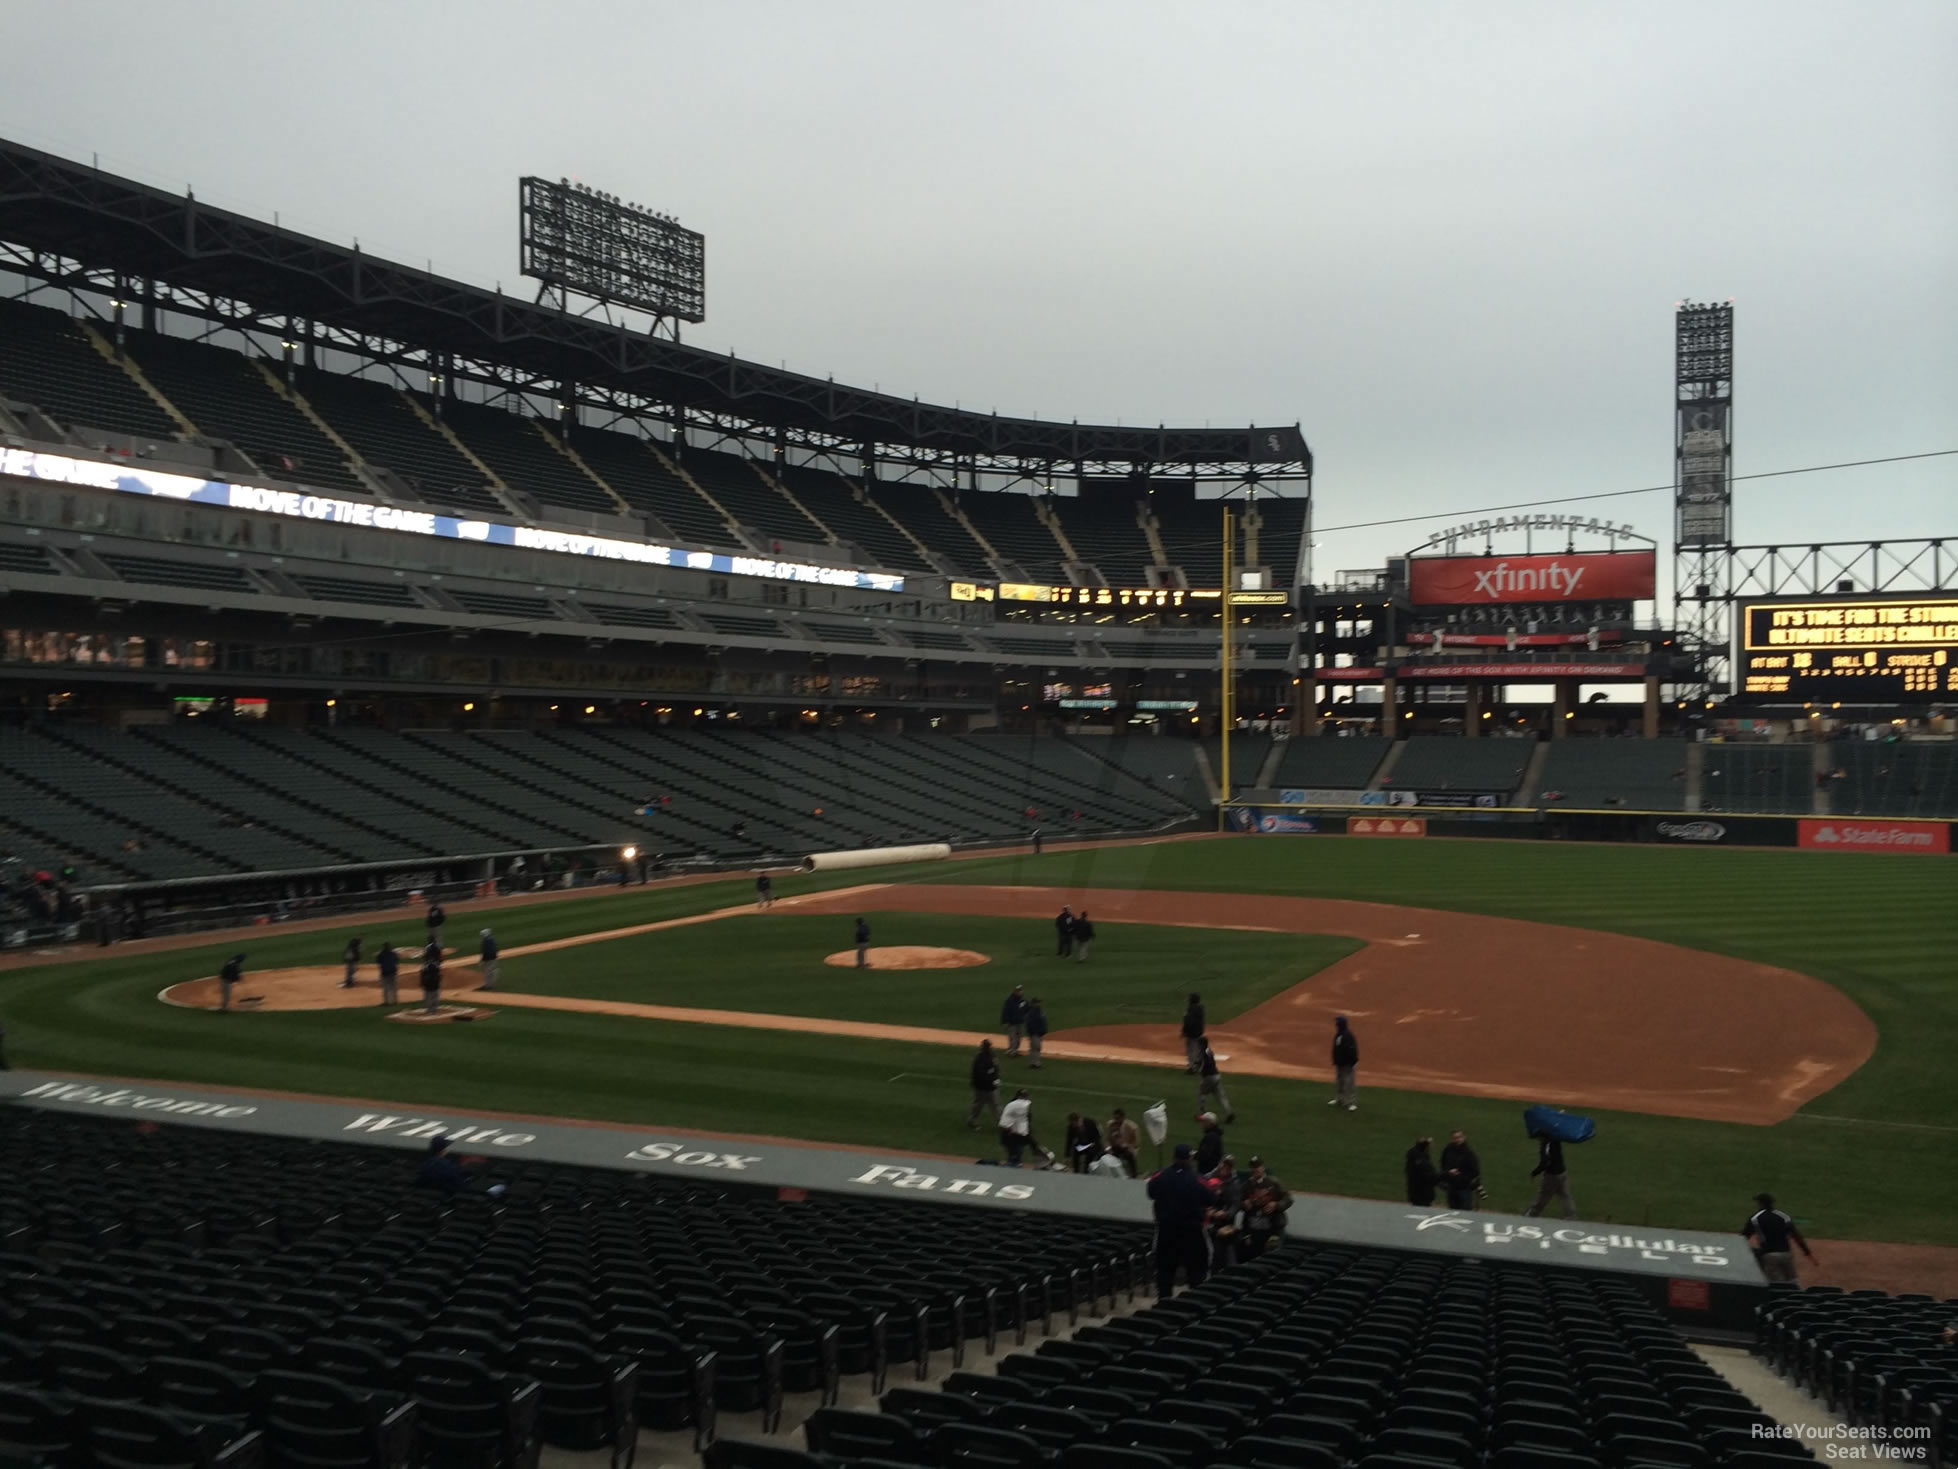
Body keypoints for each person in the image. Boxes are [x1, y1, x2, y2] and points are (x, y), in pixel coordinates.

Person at [1147, 1143, 1211, 1296]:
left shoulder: (1161, 1176)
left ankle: (1163, 1303)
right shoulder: (1197, 1179)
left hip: (1166, 1231)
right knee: (1196, 1273)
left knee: (1165, 1272)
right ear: (1190, 1158)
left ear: (1174, 1157)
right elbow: (1210, 1198)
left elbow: (1151, 1191)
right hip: (1192, 1233)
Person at [1743, 1193, 1817, 1283]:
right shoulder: (1783, 1216)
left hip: (1770, 1256)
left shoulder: (1755, 1218)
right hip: (1786, 1254)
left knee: (1776, 1284)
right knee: (1793, 1282)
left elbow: (1744, 1237)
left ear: (1761, 1204)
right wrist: (1808, 1253)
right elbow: (1796, 1236)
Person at [415, 1136, 507, 1200]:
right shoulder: (448, 1166)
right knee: (501, 1187)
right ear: (443, 1150)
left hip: (435, 1199)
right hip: (460, 1199)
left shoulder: (424, 1165)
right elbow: (461, 1187)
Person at [1238, 1156, 1292, 1259]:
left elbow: (1288, 1199)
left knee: (1272, 1256)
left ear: (1262, 1167)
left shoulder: (1273, 1183)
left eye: (1257, 1166)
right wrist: (1244, 1204)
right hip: (1254, 1229)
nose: (1255, 1170)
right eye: (1253, 1167)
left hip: (1273, 1229)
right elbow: (1238, 1203)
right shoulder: (1247, 1186)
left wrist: (1276, 1205)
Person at [1524, 1130, 1577, 1218]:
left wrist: (1535, 1172)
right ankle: (1571, 1216)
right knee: (1565, 1195)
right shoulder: (1556, 1141)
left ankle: (1532, 1214)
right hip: (1562, 1172)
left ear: (1542, 1138)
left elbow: (1544, 1163)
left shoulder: (1545, 1146)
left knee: (1543, 1196)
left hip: (1552, 1176)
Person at [998, 1088, 1055, 1168]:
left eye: (1025, 1096)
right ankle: (1014, 1162)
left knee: (1019, 1148)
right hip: (1011, 1133)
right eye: (1023, 1097)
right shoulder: (1014, 1106)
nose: (1025, 1098)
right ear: (1018, 1096)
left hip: (1020, 1132)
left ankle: (1016, 1161)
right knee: (1014, 1149)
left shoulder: (1024, 1106)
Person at [1204, 1155, 1242, 1268]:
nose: (1225, 1168)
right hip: (1208, 1223)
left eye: (1228, 1166)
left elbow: (1236, 1204)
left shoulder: (1234, 1184)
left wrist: (1226, 1214)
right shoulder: (1209, 1178)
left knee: (1223, 1254)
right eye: (1223, 1164)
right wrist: (1207, 1210)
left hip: (1225, 1226)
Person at [1439, 1129, 1481, 1210]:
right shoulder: (1447, 1151)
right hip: (1451, 1187)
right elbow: (1443, 1165)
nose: (1457, 1139)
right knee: (1452, 1211)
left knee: (1465, 1213)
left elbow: (1475, 1172)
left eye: (1459, 1137)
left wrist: (1462, 1177)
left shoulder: (1469, 1154)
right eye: (1455, 1138)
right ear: (1452, 1139)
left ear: (1464, 1138)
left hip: (1464, 1188)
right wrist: (1447, 1173)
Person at [1196, 1037, 1234, 1122]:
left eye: (1199, 1044)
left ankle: (1203, 1115)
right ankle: (1229, 1113)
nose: (1198, 1046)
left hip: (1209, 1077)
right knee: (1220, 1096)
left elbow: (1204, 1065)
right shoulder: (1209, 1051)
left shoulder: (1203, 1053)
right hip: (1216, 1076)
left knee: (1202, 1095)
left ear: (1202, 1045)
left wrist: (1199, 1069)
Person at [968, 1039, 1001, 1129]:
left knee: (995, 1105)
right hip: (982, 1087)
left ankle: (1002, 1124)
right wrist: (993, 1079)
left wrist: (996, 1078)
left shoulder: (991, 1056)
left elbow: (996, 1068)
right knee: (979, 1105)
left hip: (990, 1086)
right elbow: (981, 1074)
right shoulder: (980, 1058)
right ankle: (972, 1120)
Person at [1329, 1015, 1359, 1111]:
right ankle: (1339, 1099)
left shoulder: (1347, 1036)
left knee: (1349, 1083)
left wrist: (1353, 1062)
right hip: (1340, 1063)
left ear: (1341, 1024)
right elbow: (1336, 1049)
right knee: (1340, 1082)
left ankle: (1352, 1103)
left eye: (1337, 1023)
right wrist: (1335, 1061)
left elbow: (1352, 1050)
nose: (1336, 1024)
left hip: (1348, 1064)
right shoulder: (1339, 1034)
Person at [1105, 1108, 1140, 1176]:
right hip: (1114, 1148)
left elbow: (1135, 1142)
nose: (1116, 1120)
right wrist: (1108, 1148)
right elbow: (1107, 1139)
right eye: (1115, 1118)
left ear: (1122, 1118)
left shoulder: (1131, 1127)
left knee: (1129, 1156)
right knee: (1102, 1154)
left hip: (1126, 1148)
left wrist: (1128, 1146)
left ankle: (1134, 1174)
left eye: (1118, 1118)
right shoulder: (1111, 1125)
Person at [1405, 1137, 1439, 1206]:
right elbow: (1430, 1176)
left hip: (1416, 1193)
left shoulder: (1413, 1157)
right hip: (1422, 1195)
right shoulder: (1421, 1159)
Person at [1000, 985, 1030, 1057]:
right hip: (1011, 1023)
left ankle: (1013, 1050)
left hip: (1020, 1022)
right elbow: (1005, 1011)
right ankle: (1013, 1051)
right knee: (1013, 1037)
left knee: (1019, 1037)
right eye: (1019, 991)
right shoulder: (1009, 1001)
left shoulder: (1023, 1001)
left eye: (1021, 990)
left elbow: (1028, 1010)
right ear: (1015, 991)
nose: (1020, 992)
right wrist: (1005, 1022)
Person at [1181, 994, 1206, 1072]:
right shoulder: (1200, 1008)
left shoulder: (1190, 1009)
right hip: (1199, 1031)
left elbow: (1188, 1022)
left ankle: (1192, 1067)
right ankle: (1198, 1064)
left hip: (1192, 1032)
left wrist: (1184, 1031)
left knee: (1191, 1049)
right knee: (1197, 1048)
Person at [420, 940, 443, 1015]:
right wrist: (439, 981)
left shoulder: (425, 966)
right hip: (435, 984)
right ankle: (434, 1010)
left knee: (428, 998)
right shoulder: (436, 965)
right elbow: (439, 974)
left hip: (428, 985)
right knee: (435, 998)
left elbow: (422, 975)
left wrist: (422, 983)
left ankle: (429, 1010)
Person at [1025, 996, 1048, 1068]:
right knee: (1036, 1048)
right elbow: (1030, 1024)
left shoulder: (1039, 1011)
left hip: (1039, 1033)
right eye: (1037, 1002)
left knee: (1035, 1048)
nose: (1039, 1003)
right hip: (1035, 1033)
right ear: (1033, 1003)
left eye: (1039, 1002)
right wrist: (1034, 1032)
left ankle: (1034, 1063)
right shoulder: (1032, 1012)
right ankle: (1035, 1063)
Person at [375, 940, 399, 1007]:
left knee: (386, 988)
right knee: (393, 987)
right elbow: (396, 961)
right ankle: (395, 1001)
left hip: (384, 973)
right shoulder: (393, 954)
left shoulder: (381, 954)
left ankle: (386, 1002)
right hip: (392, 972)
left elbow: (378, 962)